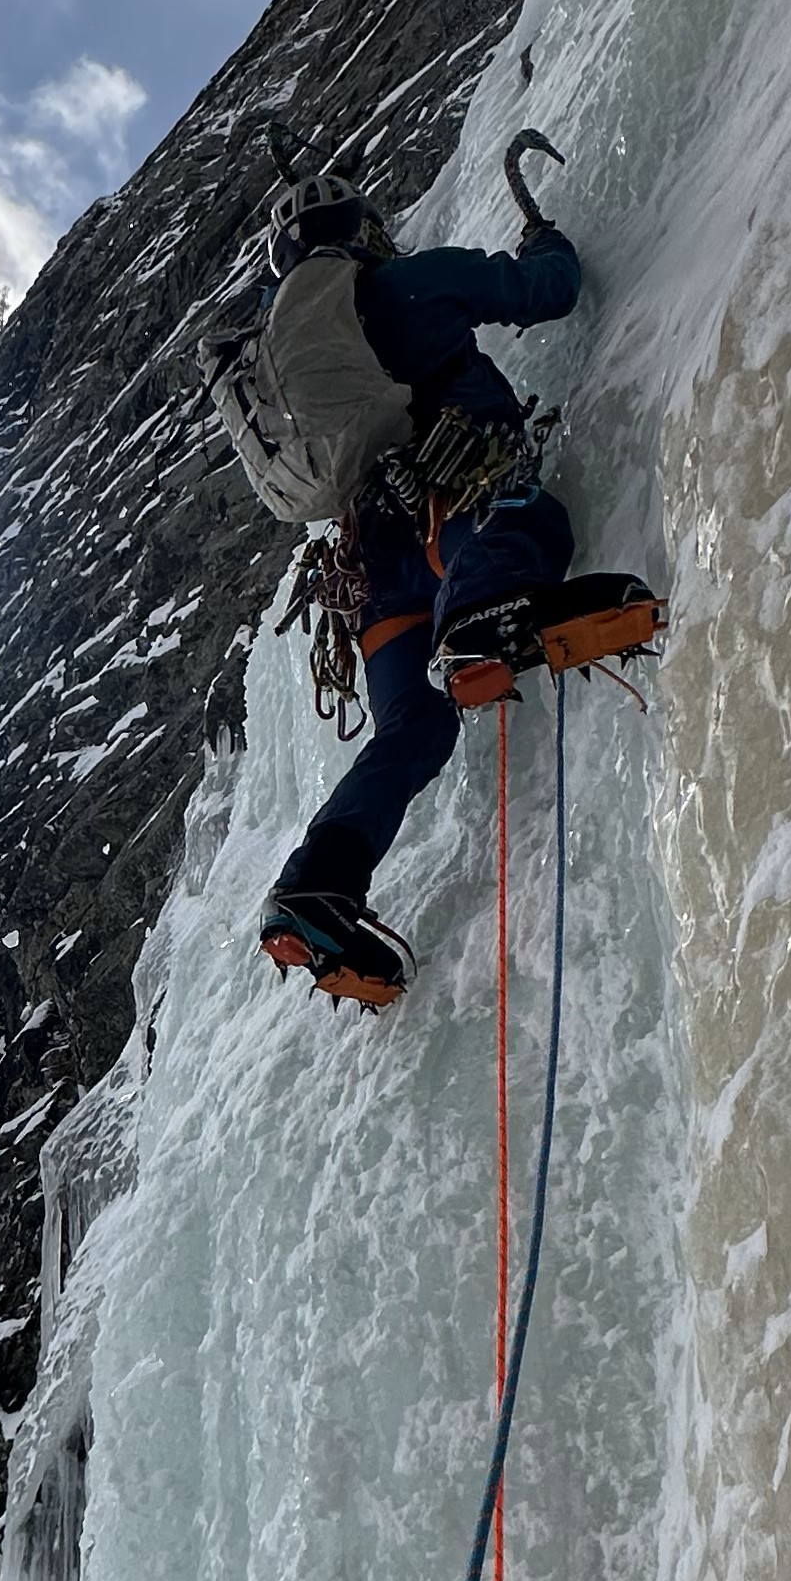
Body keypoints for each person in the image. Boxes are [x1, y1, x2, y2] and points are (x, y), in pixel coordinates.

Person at [223, 152, 653, 1009]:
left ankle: (319, 884)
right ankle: (485, 619)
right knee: (532, 524)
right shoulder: (402, 287)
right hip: (452, 522)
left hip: (370, 584)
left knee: (412, 734)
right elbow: (545, 291)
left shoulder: (282, 374)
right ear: (360, 234)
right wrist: (547, 237)